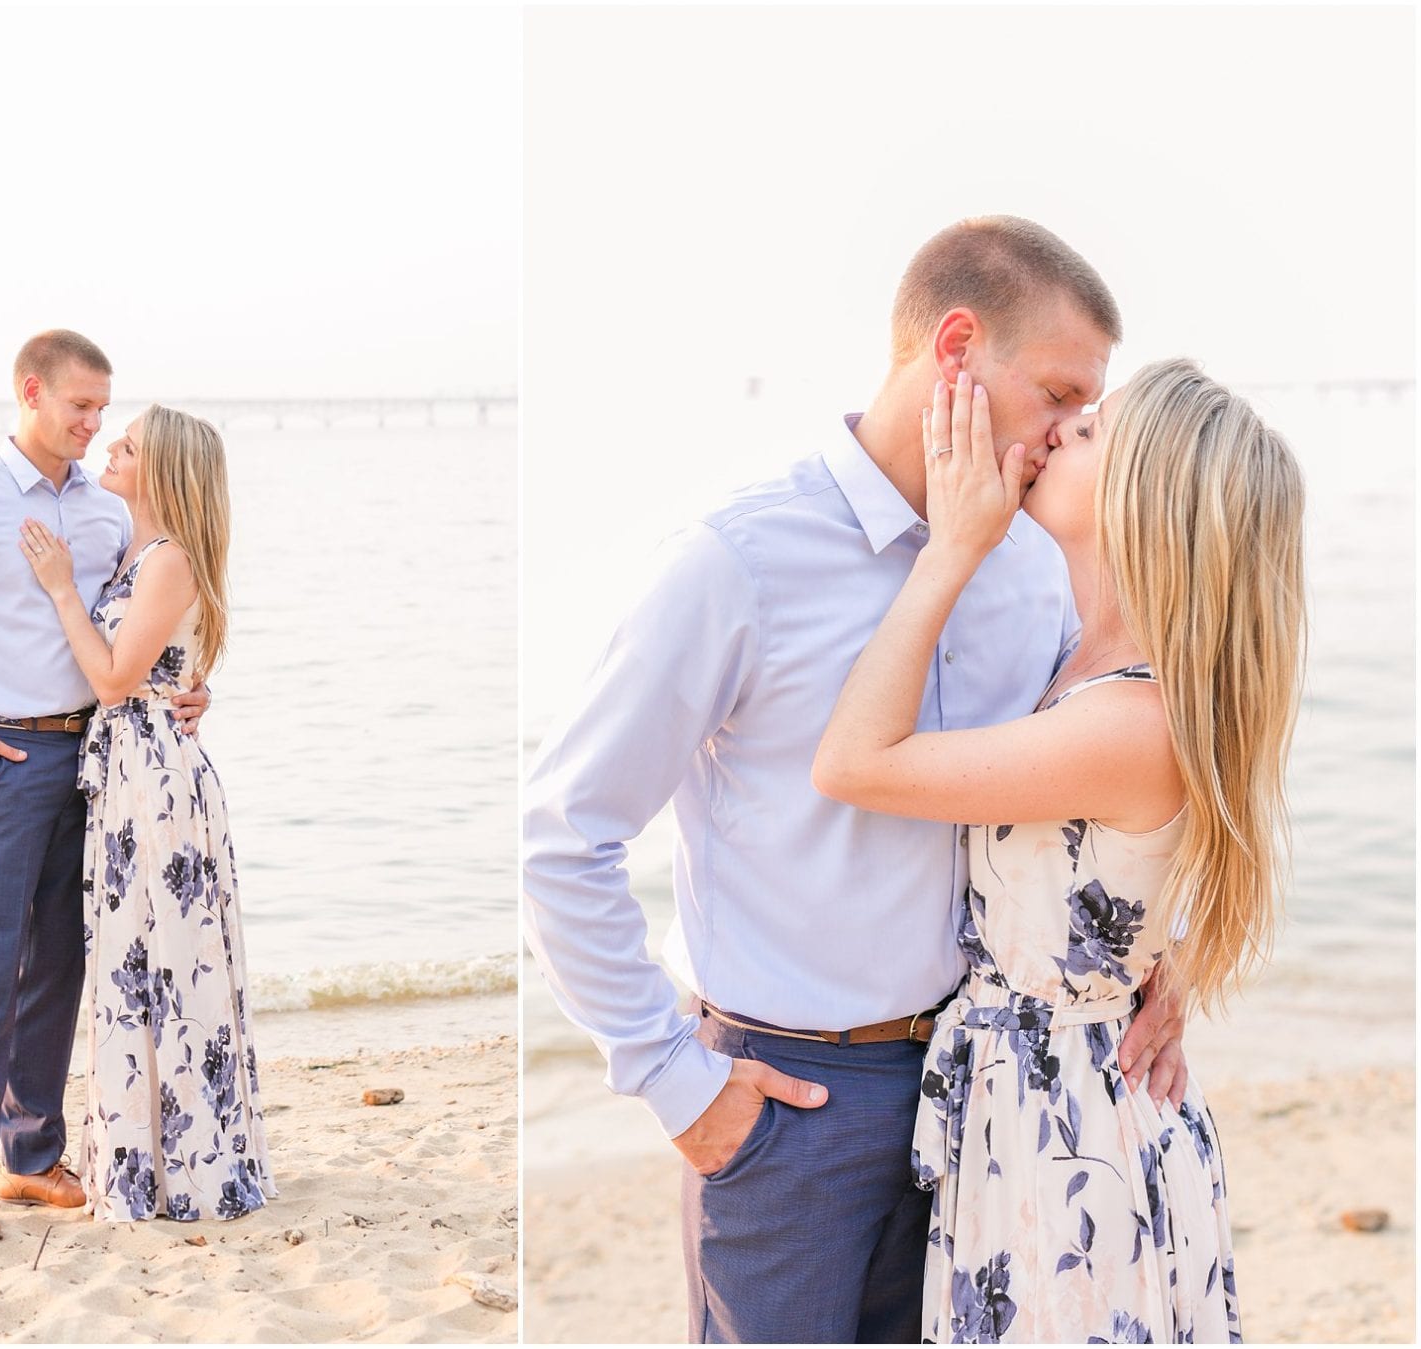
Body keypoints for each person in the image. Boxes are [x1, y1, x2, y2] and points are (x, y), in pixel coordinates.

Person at [522, 217, 1188, 1344]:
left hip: (986, 1087)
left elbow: (1087, 799)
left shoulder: (1036, 568)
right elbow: (562, 834)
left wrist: (1161, 956)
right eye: (1061, 395)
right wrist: (673, 1081)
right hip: (792, 1100)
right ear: (959, 347)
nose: (1071, 432)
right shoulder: (735, 560)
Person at [812, 362, 1302, 1342]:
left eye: (1089, 432)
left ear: (1139, 502)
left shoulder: (1125, 718)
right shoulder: (1091, 662)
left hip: (1064, 1127)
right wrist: (1160, 953)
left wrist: (950, 548)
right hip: (1044, 1104)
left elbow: (853, 760)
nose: (1059, 428)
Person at [0, 331, 209, 1242]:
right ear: (33, 392)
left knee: (59, 962)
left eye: (105, 410)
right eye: (81, 406)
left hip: (95, 762)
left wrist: (185, 687)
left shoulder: (104, 512)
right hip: (3, 760)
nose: (96, 425)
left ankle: (29, 1155)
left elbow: (128, 628)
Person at [17, 403, 274, 1222]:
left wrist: (59, 591)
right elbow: (166, 665)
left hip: (155, 784)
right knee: (140, 963)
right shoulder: (135, 547)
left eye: (127, 444)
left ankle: (183, 1167)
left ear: (160, 468)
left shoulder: (166, 558)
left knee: (164, 962)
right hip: (132, 775)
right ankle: (152, 1159)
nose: (110, 447)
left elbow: (115, 679)